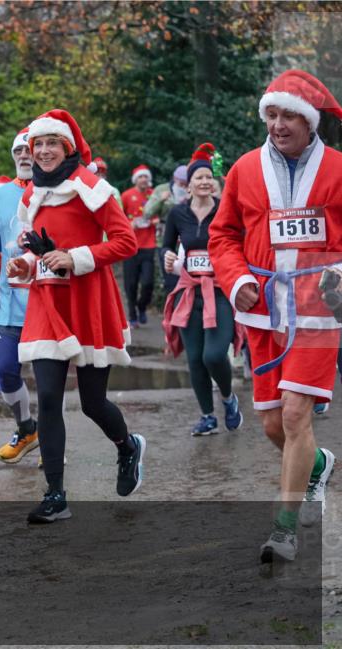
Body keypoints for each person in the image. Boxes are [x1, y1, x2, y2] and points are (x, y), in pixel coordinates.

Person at [209, 69, 342, 563]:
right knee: (271, 426)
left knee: (294, 413)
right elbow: (222, 237)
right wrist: (237, 281)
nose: (278, 124)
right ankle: (318, 465)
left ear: (310, 122)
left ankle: (284, 530)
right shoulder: (244, 169)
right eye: (272, 114)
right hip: (262, 307)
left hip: (319, 308)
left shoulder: (338, 169)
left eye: (289, 116)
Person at [5, 109, 144, 523]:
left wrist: (77, 257)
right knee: (47, 397)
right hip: (48, 303)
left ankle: (127, 446)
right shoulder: (32, 194)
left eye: (52, 144)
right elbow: (39, 250)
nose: (44, 151)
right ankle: (55, 495)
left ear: (67, 148)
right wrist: (25, 265)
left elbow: (126, 243)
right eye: (37, 145)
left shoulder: (91, 187)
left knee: (91, 403)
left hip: (88, 301)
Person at [161, 143, 244, 436]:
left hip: (220, 291)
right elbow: (166, 247)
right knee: (195, 359)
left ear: (215, 181)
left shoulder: (226, 210)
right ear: (190, 184)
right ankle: (207, 416)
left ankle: (228, 398)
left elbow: (239, 244)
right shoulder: (177, 214)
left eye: (209, 176)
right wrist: (167, 259)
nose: (205, 181)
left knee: (214, 354)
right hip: (189, 291)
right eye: (199, 177)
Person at [0, 128, 39, 462]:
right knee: (5, 371)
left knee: (51, 379)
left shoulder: (57, 192)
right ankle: (27, 428)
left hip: (48, 301)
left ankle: (55, 444)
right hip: (9, 305)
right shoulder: (1, 196)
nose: (23, 155)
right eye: (18, 150)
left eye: (29, 149)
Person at [121, 164, 158, 327]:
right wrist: (131, 223)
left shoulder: (154, 195)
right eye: (140, 177)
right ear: (136, 180)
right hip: (130, 246)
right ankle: (132, 315)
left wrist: (157, 221)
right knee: (131, 283)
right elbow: (118, 219)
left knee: (148, 282)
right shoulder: (127, 195)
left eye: (146, 177)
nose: (143, 180)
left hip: (149, 244)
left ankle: (142, 306)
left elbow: (163, 214)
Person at [148, 164, 191, 297]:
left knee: (187, 279)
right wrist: (161, 200)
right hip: (165, 239)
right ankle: (172, 312)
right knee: (171, 281)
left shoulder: (192, 190)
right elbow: (147, 212)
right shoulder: (162, 189)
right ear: (174, 178)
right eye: (181, 183)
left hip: (187, 241)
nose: (183, 187)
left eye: (186, 184)